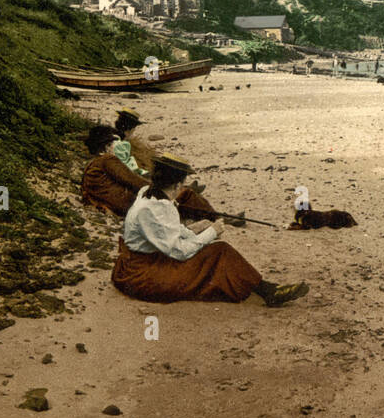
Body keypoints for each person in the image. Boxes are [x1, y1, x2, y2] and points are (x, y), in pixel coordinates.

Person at [111, 153, 308, 307]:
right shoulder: (153, 209)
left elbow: (172, 230)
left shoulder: (148, 194)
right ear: (178, 183)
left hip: (146, 260)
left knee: (215, 251)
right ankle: (267, 292)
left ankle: (264, 289)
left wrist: (197, 233)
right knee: (219, 251)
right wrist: (211, 232)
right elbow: (179, 252)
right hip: (141, 273)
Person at [82, 125, 218, 221]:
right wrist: (161, 190)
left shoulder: (93, 164)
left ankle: (197, 210)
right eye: (114, 144)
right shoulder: (107, 159)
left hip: (116, 202)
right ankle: (216, 217)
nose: (116, 147)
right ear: (106, 146)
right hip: (126, 204)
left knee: (175, 195)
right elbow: (133, 181)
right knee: (183, 195)